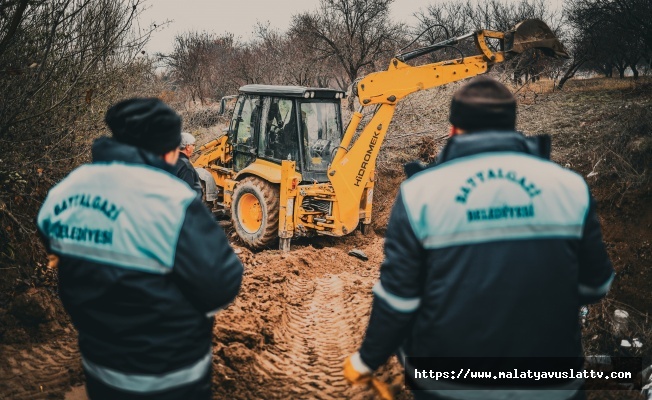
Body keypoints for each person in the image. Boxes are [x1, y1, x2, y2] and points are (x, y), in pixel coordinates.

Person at [343, 77, 614, 400]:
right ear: (512, 126)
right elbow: (596, 285)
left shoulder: (420, 193)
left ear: (453, 129)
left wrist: (367, 360)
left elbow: (399, 299)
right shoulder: (569, 186)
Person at [36, 98, 243, 400]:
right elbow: (221, 286)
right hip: (172, 376)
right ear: (170, 150)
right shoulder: (173, 201)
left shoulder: (69, 188)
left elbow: (49, 236)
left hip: (100, 366)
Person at [174, 131, 203, 198]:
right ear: (187, 147)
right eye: (193, 145)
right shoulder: (185, 166)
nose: (194, 148)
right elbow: (187, 194)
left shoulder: (171, 161)